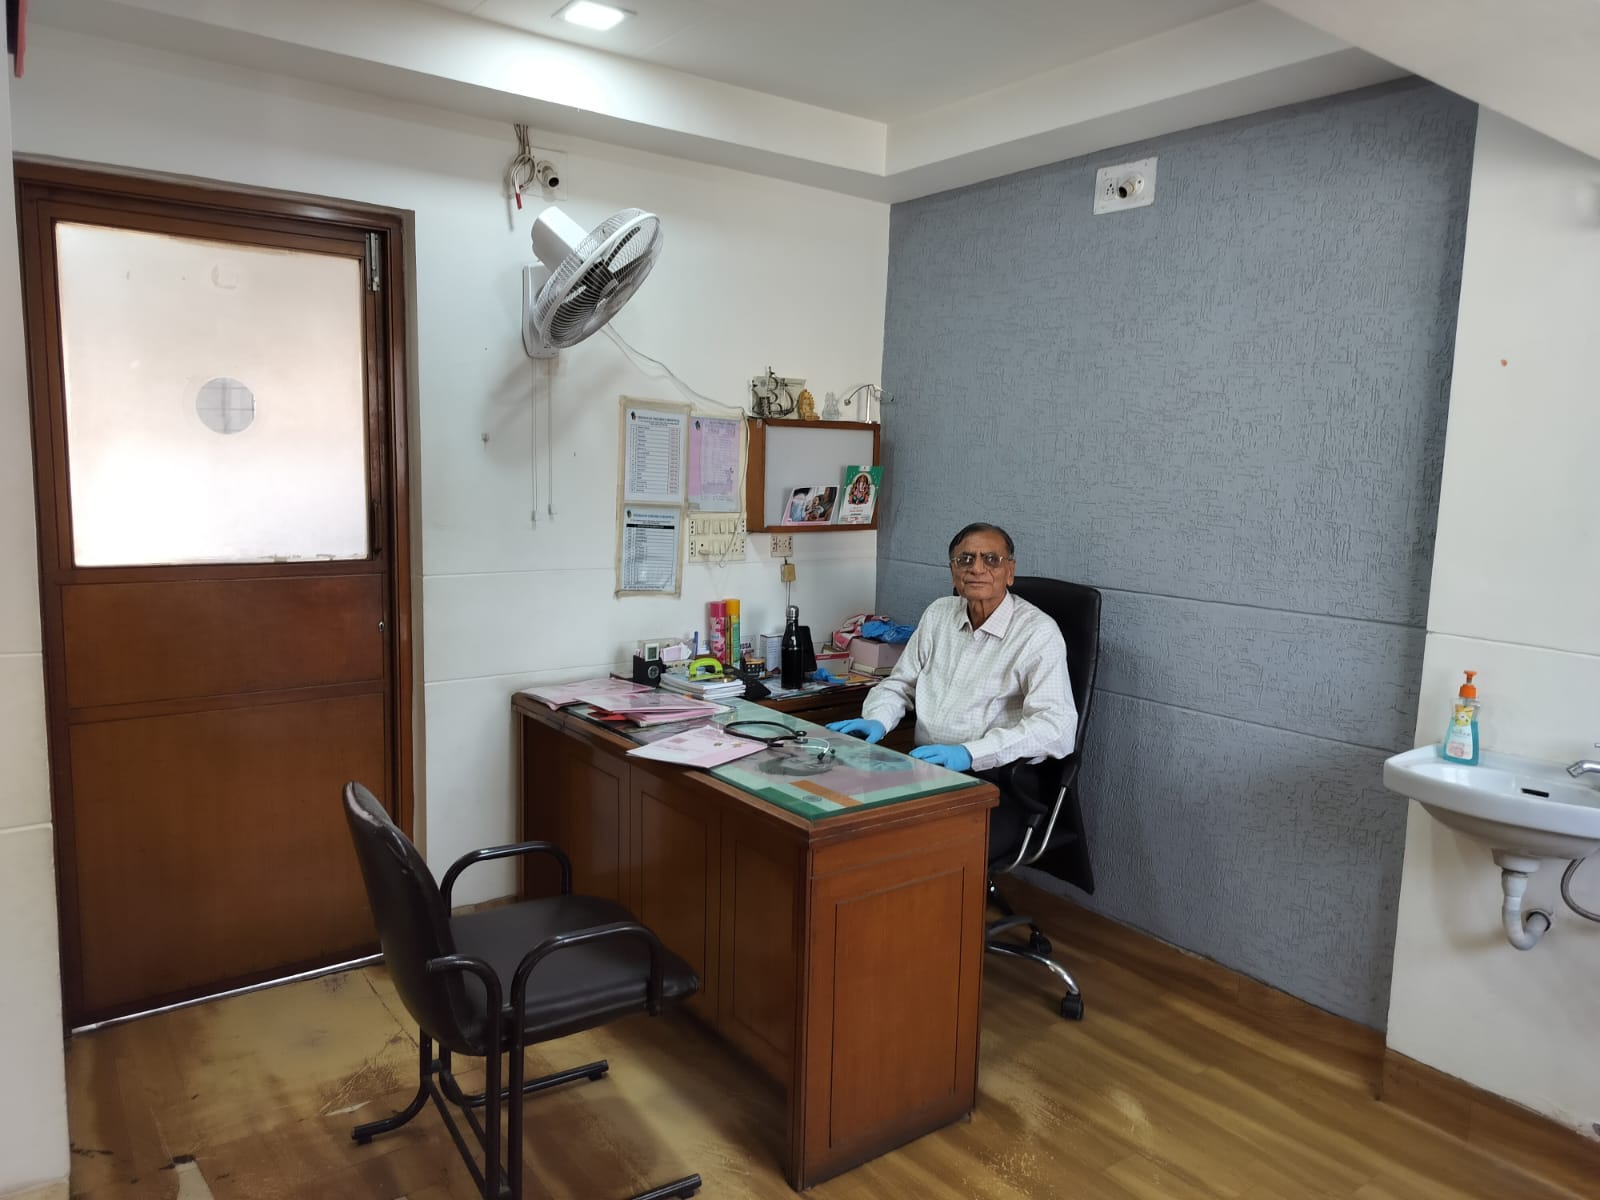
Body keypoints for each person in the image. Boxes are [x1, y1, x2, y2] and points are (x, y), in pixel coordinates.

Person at [828, 522, 1076, 773]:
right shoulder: (938, 613)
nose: (977, 568)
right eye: (965, 559)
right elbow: (901, 683)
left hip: (989, 771)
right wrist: (877, 719)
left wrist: (970, 753)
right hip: (924, 763)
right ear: (953, 571)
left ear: (1010, 571)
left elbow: (1056, 726)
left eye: (991, 559)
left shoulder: (1037, 632)